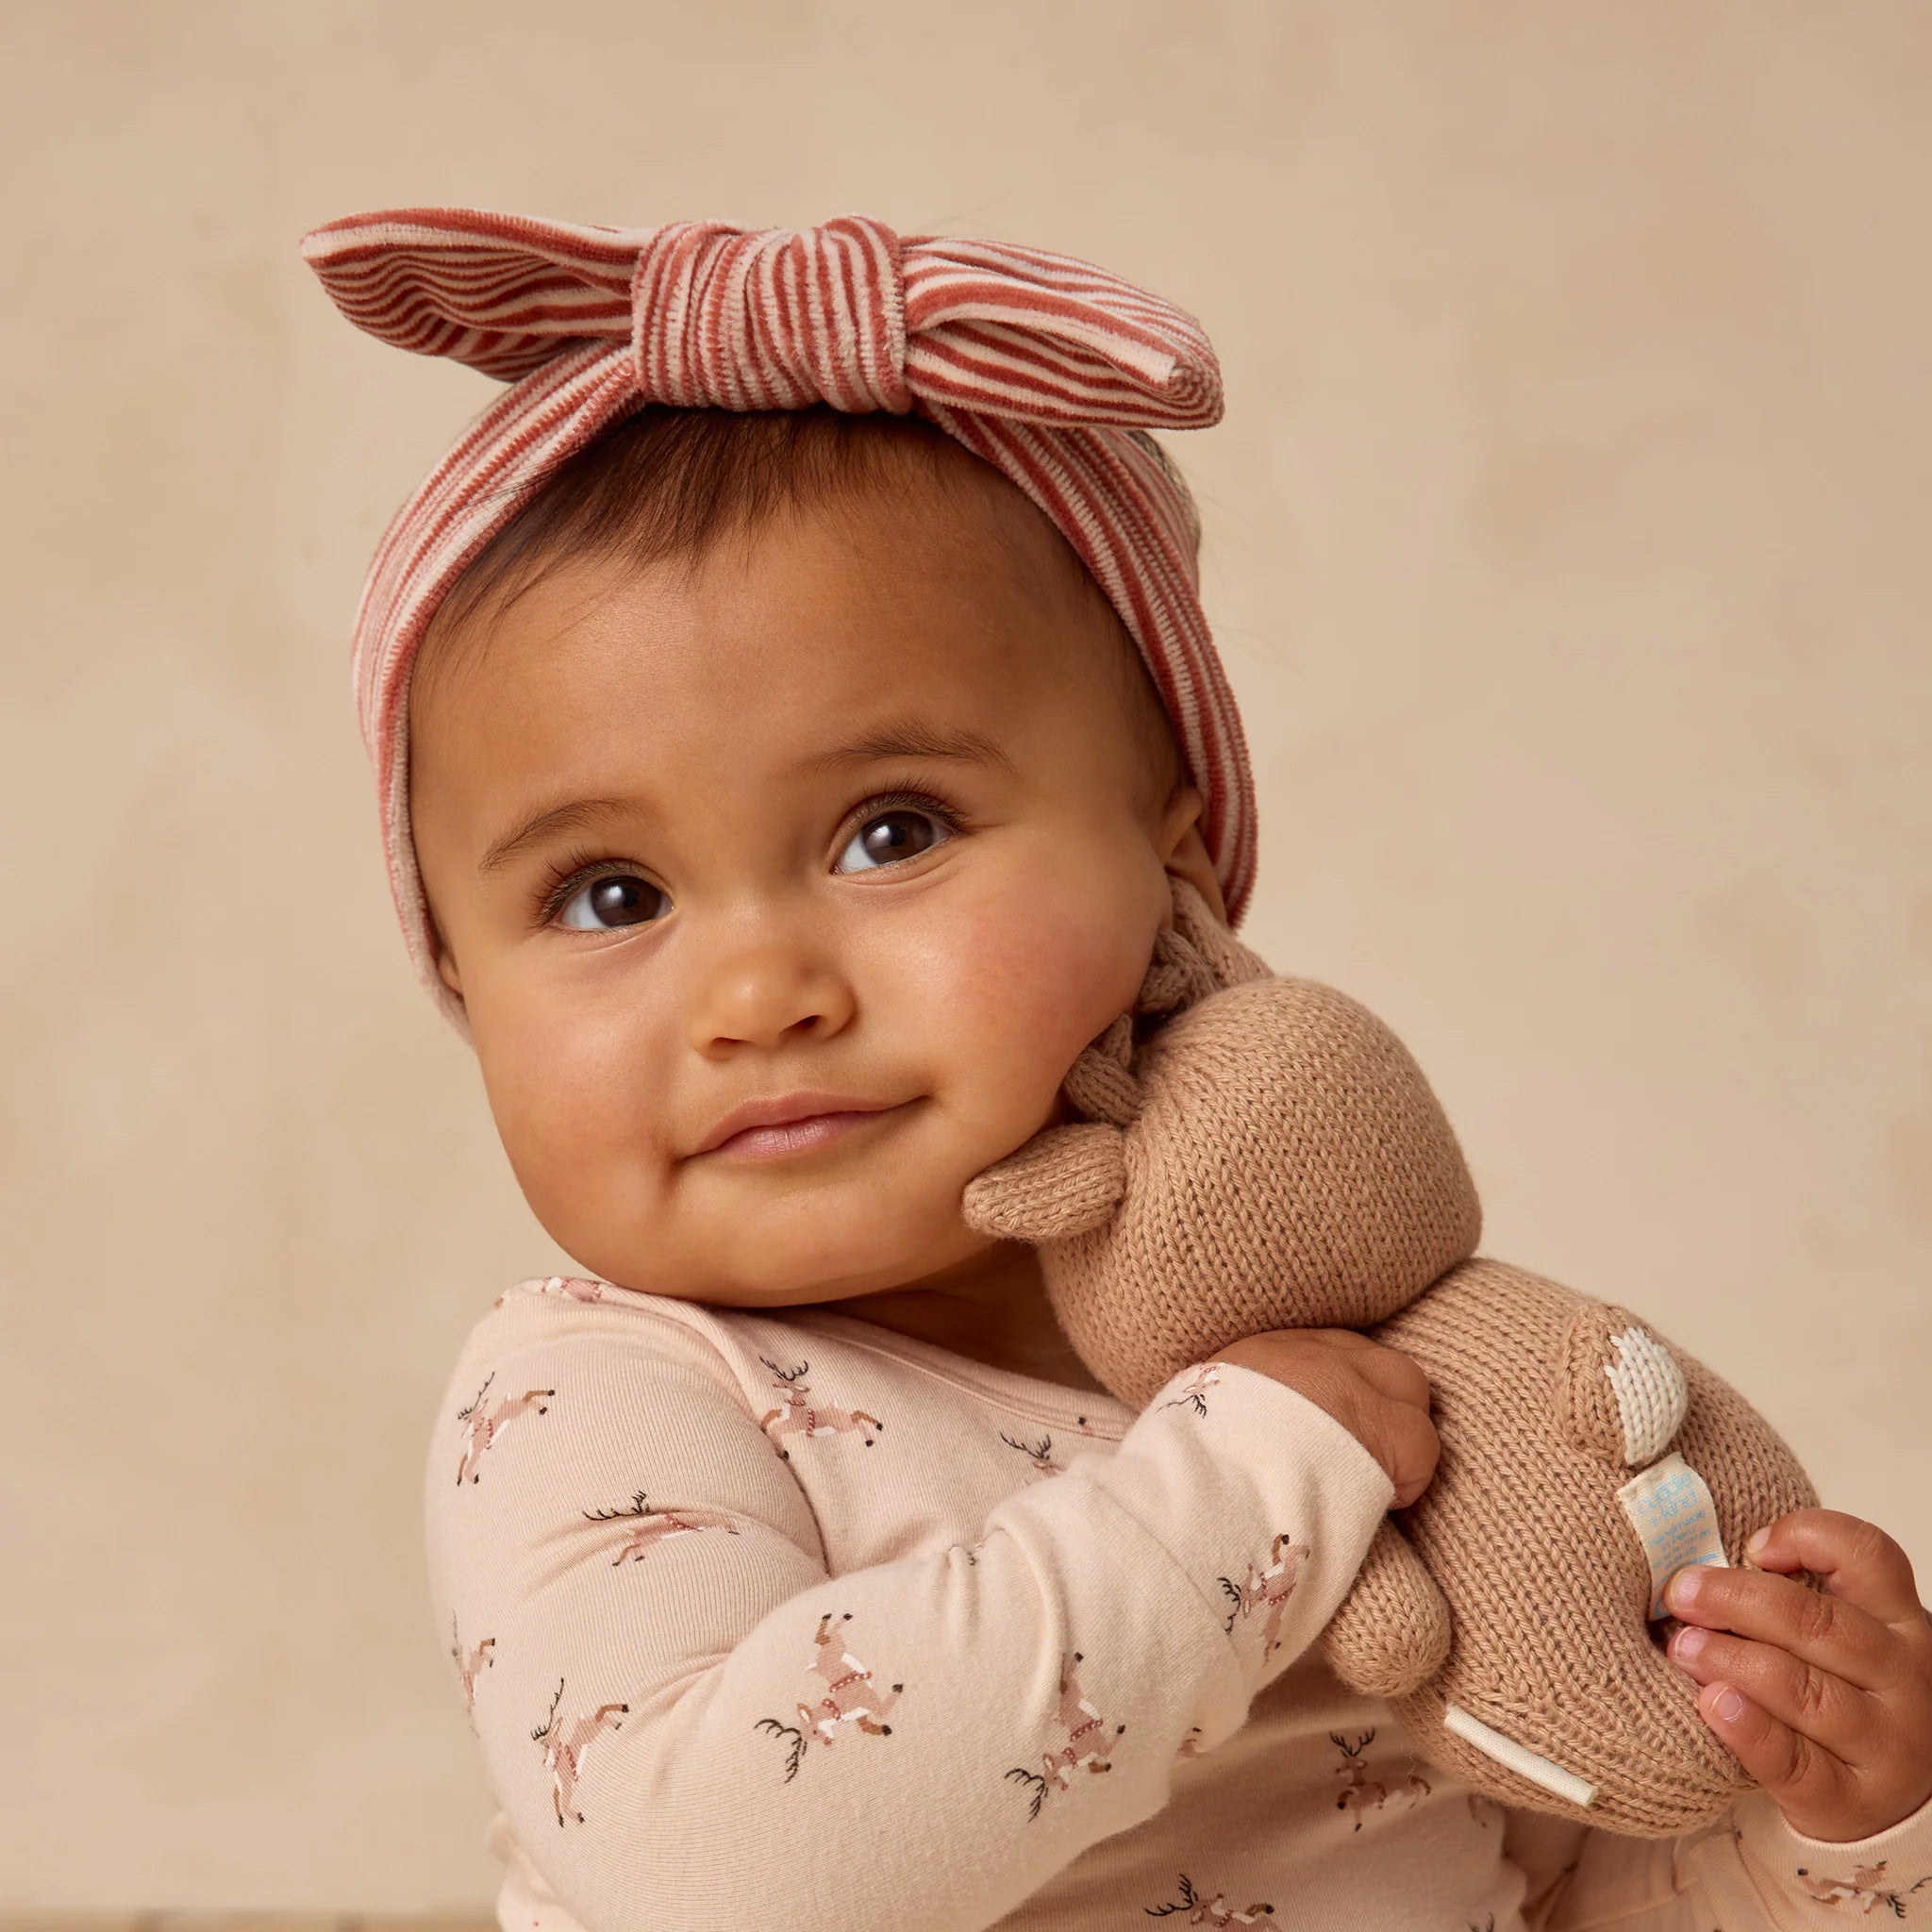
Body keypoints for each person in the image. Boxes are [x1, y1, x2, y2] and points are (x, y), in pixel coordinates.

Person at [303, 209, 1932, 1931]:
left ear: (1171, 859)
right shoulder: (602, 1397)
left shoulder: (1355, 1368)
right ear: (465, 990)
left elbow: (1570, 1894)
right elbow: (716, 1874)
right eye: (608, 895)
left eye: (889, 830)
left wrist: (1839, 1817)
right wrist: (1239, 1492)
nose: (759, 990)